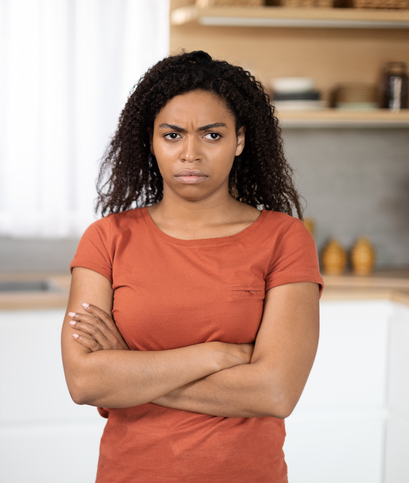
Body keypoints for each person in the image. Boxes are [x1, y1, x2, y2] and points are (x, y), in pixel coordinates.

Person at [61, 50, 323, 482]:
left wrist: (132, 367)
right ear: (151, 140)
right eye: (172, 135)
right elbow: (85, 382)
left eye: (212, 135)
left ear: (240, 140)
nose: (190, 153)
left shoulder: (284, 239)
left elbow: (275, 391)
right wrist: (216, 356)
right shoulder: (107, 239)